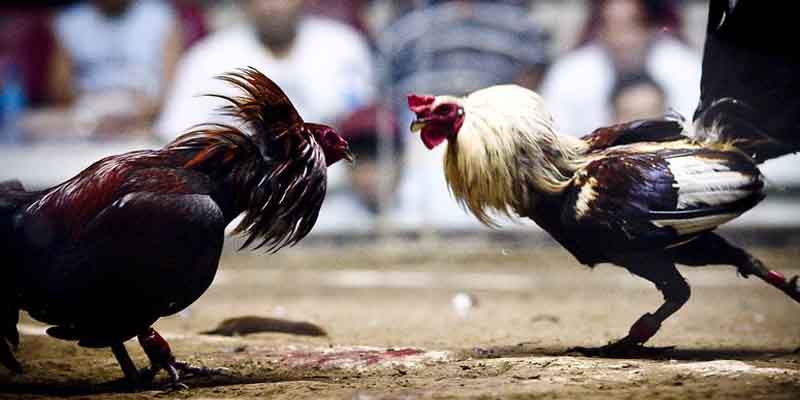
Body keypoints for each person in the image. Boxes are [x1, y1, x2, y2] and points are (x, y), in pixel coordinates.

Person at [154, 0, 375, 141]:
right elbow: (176, 137)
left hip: (337, 197)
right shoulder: (206, 58)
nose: (273, 5)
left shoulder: (344, 46)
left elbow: (370, 132)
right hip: (240, 198)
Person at [539, 0, 700, 136]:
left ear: (650, 27)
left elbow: (698, 133)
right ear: (598, 28)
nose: (621, 39)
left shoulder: (684, 67)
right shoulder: (569, 72)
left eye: (632, 24)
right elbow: (554, 136)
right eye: (611, 25)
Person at [41, 0, 182, 138]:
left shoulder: (160, 15)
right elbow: (58, 90)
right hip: (86, 116)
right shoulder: (71, 20)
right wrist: (95, 109)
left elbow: (174, 88)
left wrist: (143, 112)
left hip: (146, 114)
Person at [314, 103, 403, 233]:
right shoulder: (326, 220)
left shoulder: (428, 209)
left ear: (400, 159)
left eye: (375, 160)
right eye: (357, 163)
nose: (367, 176)